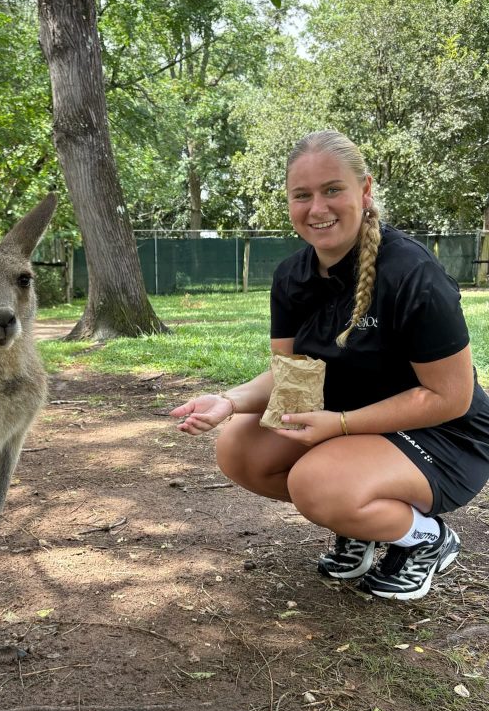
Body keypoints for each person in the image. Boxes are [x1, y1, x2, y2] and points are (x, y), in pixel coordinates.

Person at [171, 130, 489, 601]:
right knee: (240, 447)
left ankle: (427, 539)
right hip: (351, 427)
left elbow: (449, 397)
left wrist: (339, 425)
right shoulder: (291, 276)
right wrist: (229, 400)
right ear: (289, 202)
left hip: (442, 434)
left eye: (332, 190)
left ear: (364, 190)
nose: (317, 209)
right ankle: (360, 525)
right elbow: (292, 375)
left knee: (316, 482)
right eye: (302, 195)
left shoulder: (411, 273)